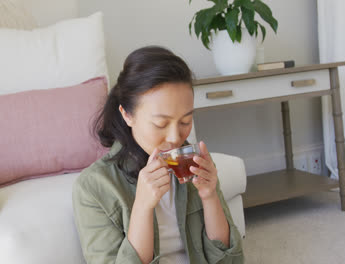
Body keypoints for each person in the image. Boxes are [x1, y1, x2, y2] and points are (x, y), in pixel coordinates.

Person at [72, 46, 244, 264]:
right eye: (160, 123)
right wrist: (143, 206)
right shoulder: (93, 189)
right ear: (127, 115)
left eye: (185, 121)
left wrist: (210, 196)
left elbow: (232, 262)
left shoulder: (193, 164)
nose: (175, 137)